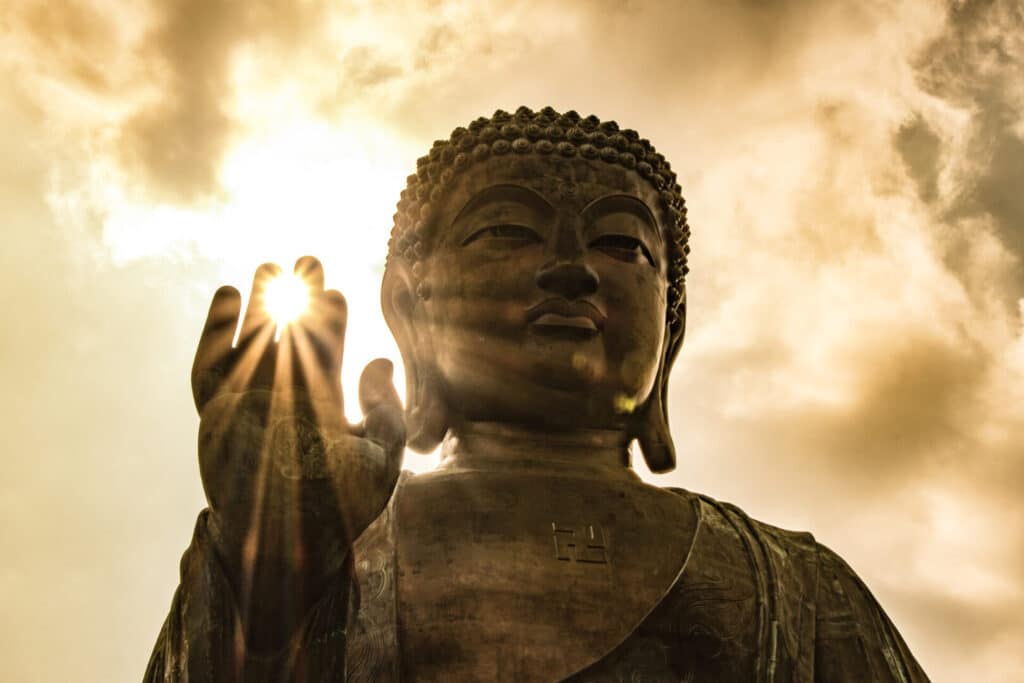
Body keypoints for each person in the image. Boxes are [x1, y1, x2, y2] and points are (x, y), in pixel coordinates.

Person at [145, 107, 929, 681]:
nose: (570, 267)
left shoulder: (795, 586)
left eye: (620, 243)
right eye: (507, 231)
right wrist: (268, 574)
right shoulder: (340, 553)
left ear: (674, 323)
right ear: (411, 306)